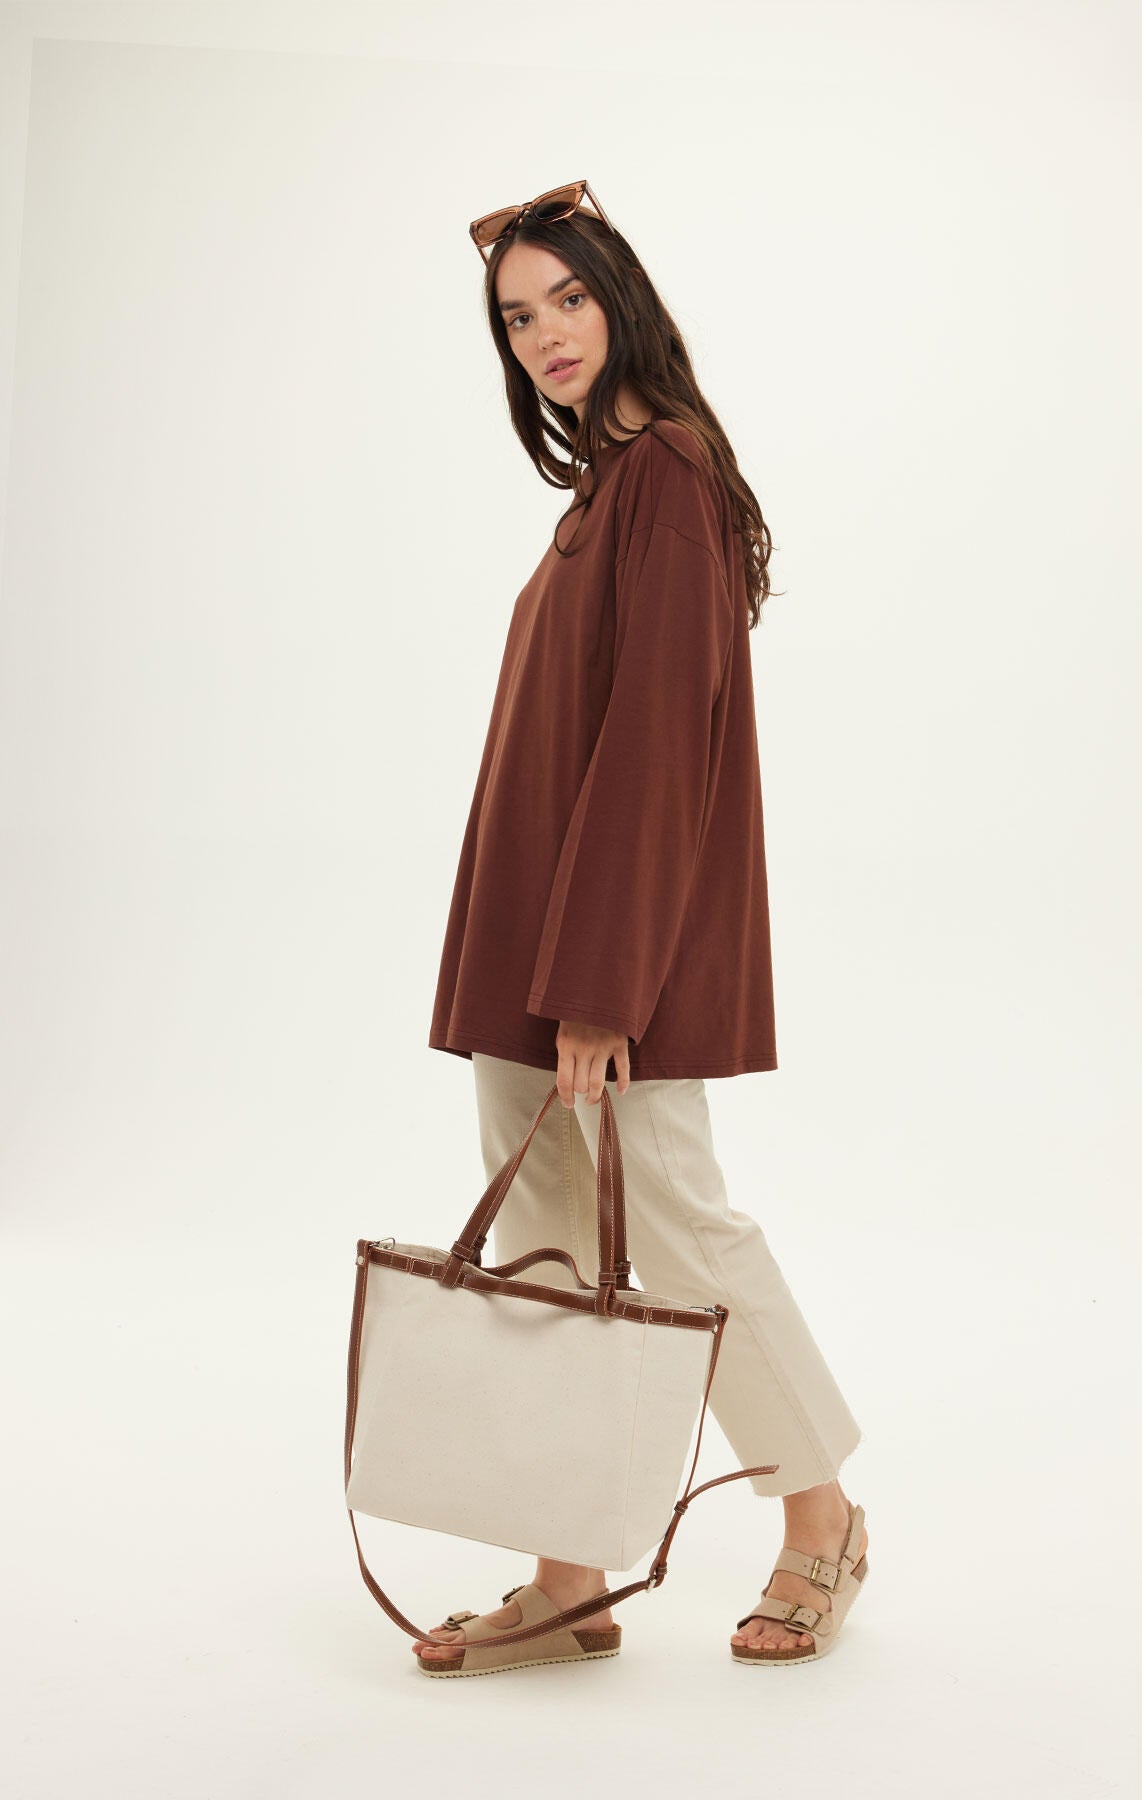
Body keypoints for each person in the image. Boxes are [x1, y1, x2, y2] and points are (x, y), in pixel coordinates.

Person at [417, 181, 869, 1675]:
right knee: (551, 1255)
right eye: (517, 317)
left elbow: (660, 741)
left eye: (568, 298)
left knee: (673, 1223)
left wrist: (603, 986)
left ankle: (822, 1521)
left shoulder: (669, 471)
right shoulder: (599, 496)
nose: (546, 333)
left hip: (610, 961)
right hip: (532, 954)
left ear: (620, 300)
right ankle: (569, 1578)